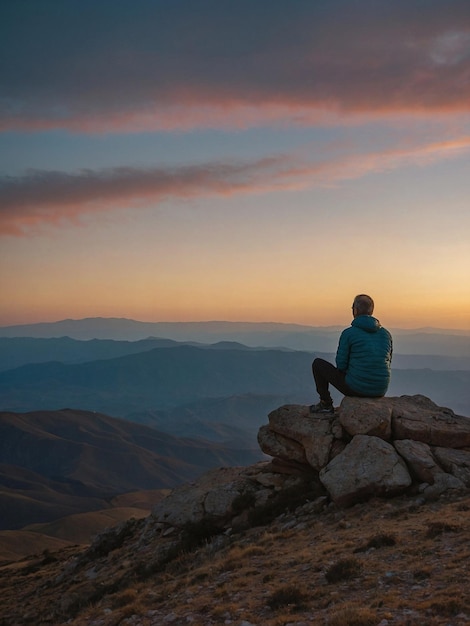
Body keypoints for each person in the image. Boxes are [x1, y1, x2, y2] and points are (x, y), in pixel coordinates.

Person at [310, 294, 393, 414]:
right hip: (380, 389)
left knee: (318, 364)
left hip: (356, 388)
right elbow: (388, 361)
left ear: (355, 310)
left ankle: (325, 403)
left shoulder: (349, 333)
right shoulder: (386, 334)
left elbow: (341, 365)